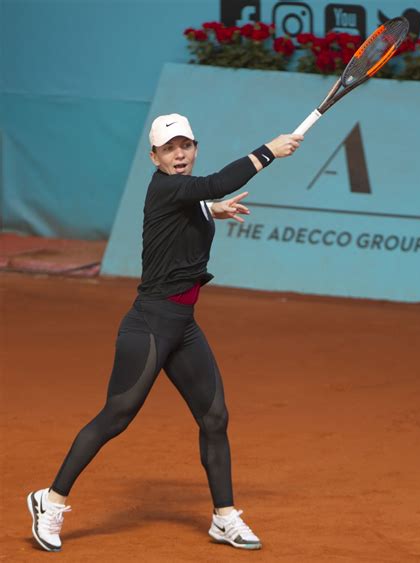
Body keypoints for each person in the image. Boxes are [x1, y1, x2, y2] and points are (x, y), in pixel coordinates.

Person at [27, 113, 303, 552]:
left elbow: (199, 201)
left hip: (183, 329)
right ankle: (51, 499)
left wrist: (213, 211)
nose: (179, 154)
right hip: (150, 326)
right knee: (116, 417)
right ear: (153, 156)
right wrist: (268, 151)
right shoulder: (167, 186)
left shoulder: (185, 196)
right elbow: (209, 185)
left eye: (186, 146)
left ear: (194, 147)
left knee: (215, 418)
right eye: (170, 148)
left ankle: (224, 517)